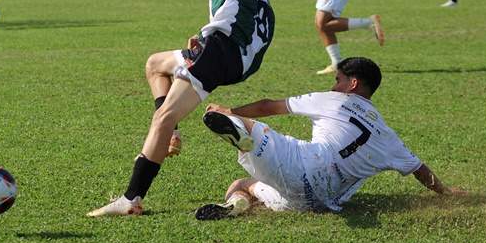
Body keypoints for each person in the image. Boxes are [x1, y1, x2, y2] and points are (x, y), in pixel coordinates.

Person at [87, 0, 338, 217]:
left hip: (226, 52)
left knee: (162, 117)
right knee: (155, 65)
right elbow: (239, 16)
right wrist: (203, 42)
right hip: (227, 53)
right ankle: (171, 135)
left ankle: (132, 198)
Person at [194, 57, 467, 220]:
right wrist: (445, 192)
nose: (334, 86)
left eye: (338, 80)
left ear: (353, 84)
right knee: (243, 184)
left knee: (248, 127)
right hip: (317, 201)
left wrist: (229, 110)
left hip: (305, 163)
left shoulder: (335, 99)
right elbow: (419, 168)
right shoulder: (386, 134)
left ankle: (236, 127)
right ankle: (237, 204)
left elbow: (269, 105)